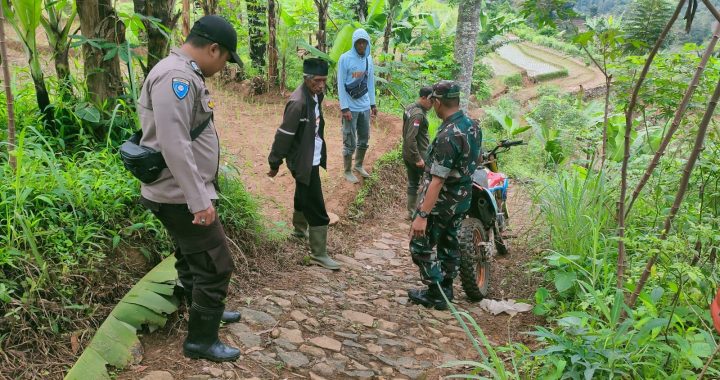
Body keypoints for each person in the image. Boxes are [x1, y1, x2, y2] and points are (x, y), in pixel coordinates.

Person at [137, 15, 242, 362]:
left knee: (191, 253)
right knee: (215, 264)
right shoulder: (176, 77)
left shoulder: (180, 72)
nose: (224, 65)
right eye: (226, 58)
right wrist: (199, 200)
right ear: (213, 49)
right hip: (179, 194)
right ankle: (201, 340)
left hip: (177, 191)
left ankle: (202, 307)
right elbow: (174, 143)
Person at [407, 80, 481, 310]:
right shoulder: (473, 125)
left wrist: (422, 214)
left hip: (442, 201)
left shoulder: (448, 135)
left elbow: (438, 181)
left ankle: (436, 292)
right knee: (450, 242)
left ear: (437, 102)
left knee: (420, 245)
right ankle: (447, 288)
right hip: (462, 197)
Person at [267, 58, 341, 271]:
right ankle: (319, 253)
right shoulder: (298, 102)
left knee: (303, 191)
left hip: (312, 155)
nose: (321, 85)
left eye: (324, 81)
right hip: (303, 160)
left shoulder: (315, 95)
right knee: (317, 206)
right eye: (317, 81)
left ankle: (299, 230)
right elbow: (284, 135)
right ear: (306, 79)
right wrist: (275, 162)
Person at [337, 28, 377, 184]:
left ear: (367, 43)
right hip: (350, 108)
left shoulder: (369, 59)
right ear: (354, 43)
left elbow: (370, 83)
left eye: (364, 42)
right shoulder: (345, 59)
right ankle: (347, 170)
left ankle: (358, 165)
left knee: (364, 138)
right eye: (358, 42)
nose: (361, 45)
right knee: (349, 139)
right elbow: (340, 84)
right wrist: (344, 108)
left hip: (364, 106)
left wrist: (373, 103)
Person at [402, 86, 433, 220]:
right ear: (423, 98)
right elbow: (410, 137)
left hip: (408, 153)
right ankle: (421, 214)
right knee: (427, 183)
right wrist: (418, 158)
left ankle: (411, 212)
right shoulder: (418, 114)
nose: (432, 104)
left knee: (413, 182)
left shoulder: (409, 108)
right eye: (430, 101)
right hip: (418, 154)